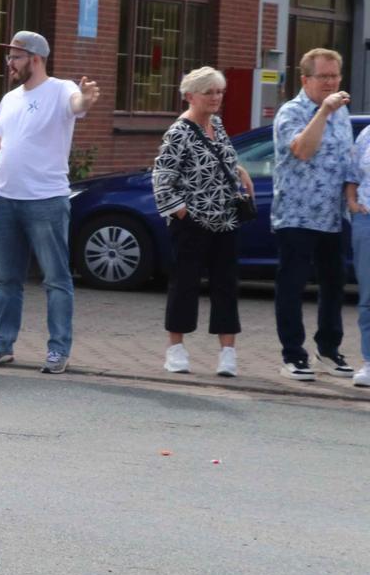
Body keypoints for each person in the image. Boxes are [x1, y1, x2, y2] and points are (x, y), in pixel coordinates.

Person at [0, 31, 99, 374]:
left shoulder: (61, 89)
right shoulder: (10, 98)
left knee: (56, 278)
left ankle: (58, 350)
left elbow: (78, 105)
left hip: (46, 200)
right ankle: (1, 345)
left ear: (36, 59)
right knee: (7, 279)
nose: (9, 63)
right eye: (9, 56)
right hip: (5, 199)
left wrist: (86, 99)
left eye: (15, 57)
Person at [151, 67, 253, 378]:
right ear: (190, 96)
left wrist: (240, 172)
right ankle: (176, 351)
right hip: (192, 223)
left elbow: (226, 158)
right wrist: (184, 213)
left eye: (219, 91)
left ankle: (227, 354)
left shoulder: (218, 125)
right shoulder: (178, 132)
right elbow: (162, 180)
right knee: (184, 284)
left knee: (226, 286)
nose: (216, 97)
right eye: (208, 92)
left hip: (225, 221)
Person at [271, 47, 360, 382]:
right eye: (324, 76)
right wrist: (322, 111)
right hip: (296, 215)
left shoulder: (341, 114)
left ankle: (329, 348)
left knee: (334, 284)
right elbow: (303, 150)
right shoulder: (291, 112)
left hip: (333, 216)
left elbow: (347, 161)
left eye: (335, 75)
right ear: (305, 78)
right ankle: (293, 355)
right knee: (292, 285)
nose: (331, 82)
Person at [353, 119, 370, 388]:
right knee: (368, 295)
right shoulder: (367, 133)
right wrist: (352, 203)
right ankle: (369, 361)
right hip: (366, 220)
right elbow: (352, 174)